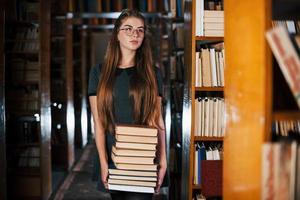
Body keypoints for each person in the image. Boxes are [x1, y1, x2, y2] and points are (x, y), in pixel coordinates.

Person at [88, 9, 167, 200]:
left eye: (140, 30)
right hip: (112, 152)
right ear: (116, 34)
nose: (135, 34)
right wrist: (103, 162)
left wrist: (163, 160)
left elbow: (157, 119)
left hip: (143, 154)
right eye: (128, 29)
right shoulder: (99, 72)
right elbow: (98, 122)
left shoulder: (152, 73)